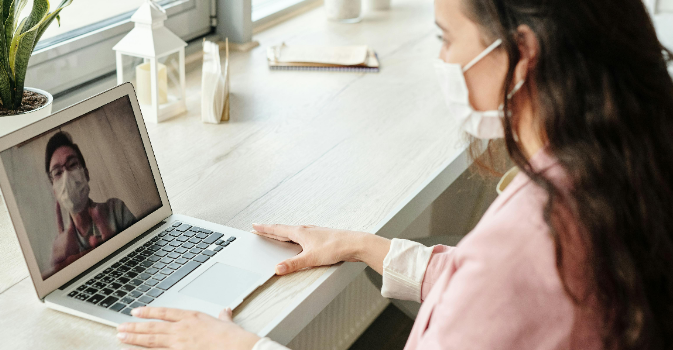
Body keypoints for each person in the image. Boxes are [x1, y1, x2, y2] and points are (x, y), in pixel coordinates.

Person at [114, 0, 673, 348]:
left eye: (447, 39)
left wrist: (237, 348)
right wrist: (365, 246)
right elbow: (503, 295)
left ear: (522, 55)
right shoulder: (613, 166)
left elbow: (503, 278)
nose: (444, 62)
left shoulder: (531, 236)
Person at [46, 131, 136, 275]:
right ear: (55, 191)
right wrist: (61, 271)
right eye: (57, 173)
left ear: (86, 174)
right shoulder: (60, 248)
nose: (67, 176)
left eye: (72, 164)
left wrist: (118, 249)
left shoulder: (116, 210)